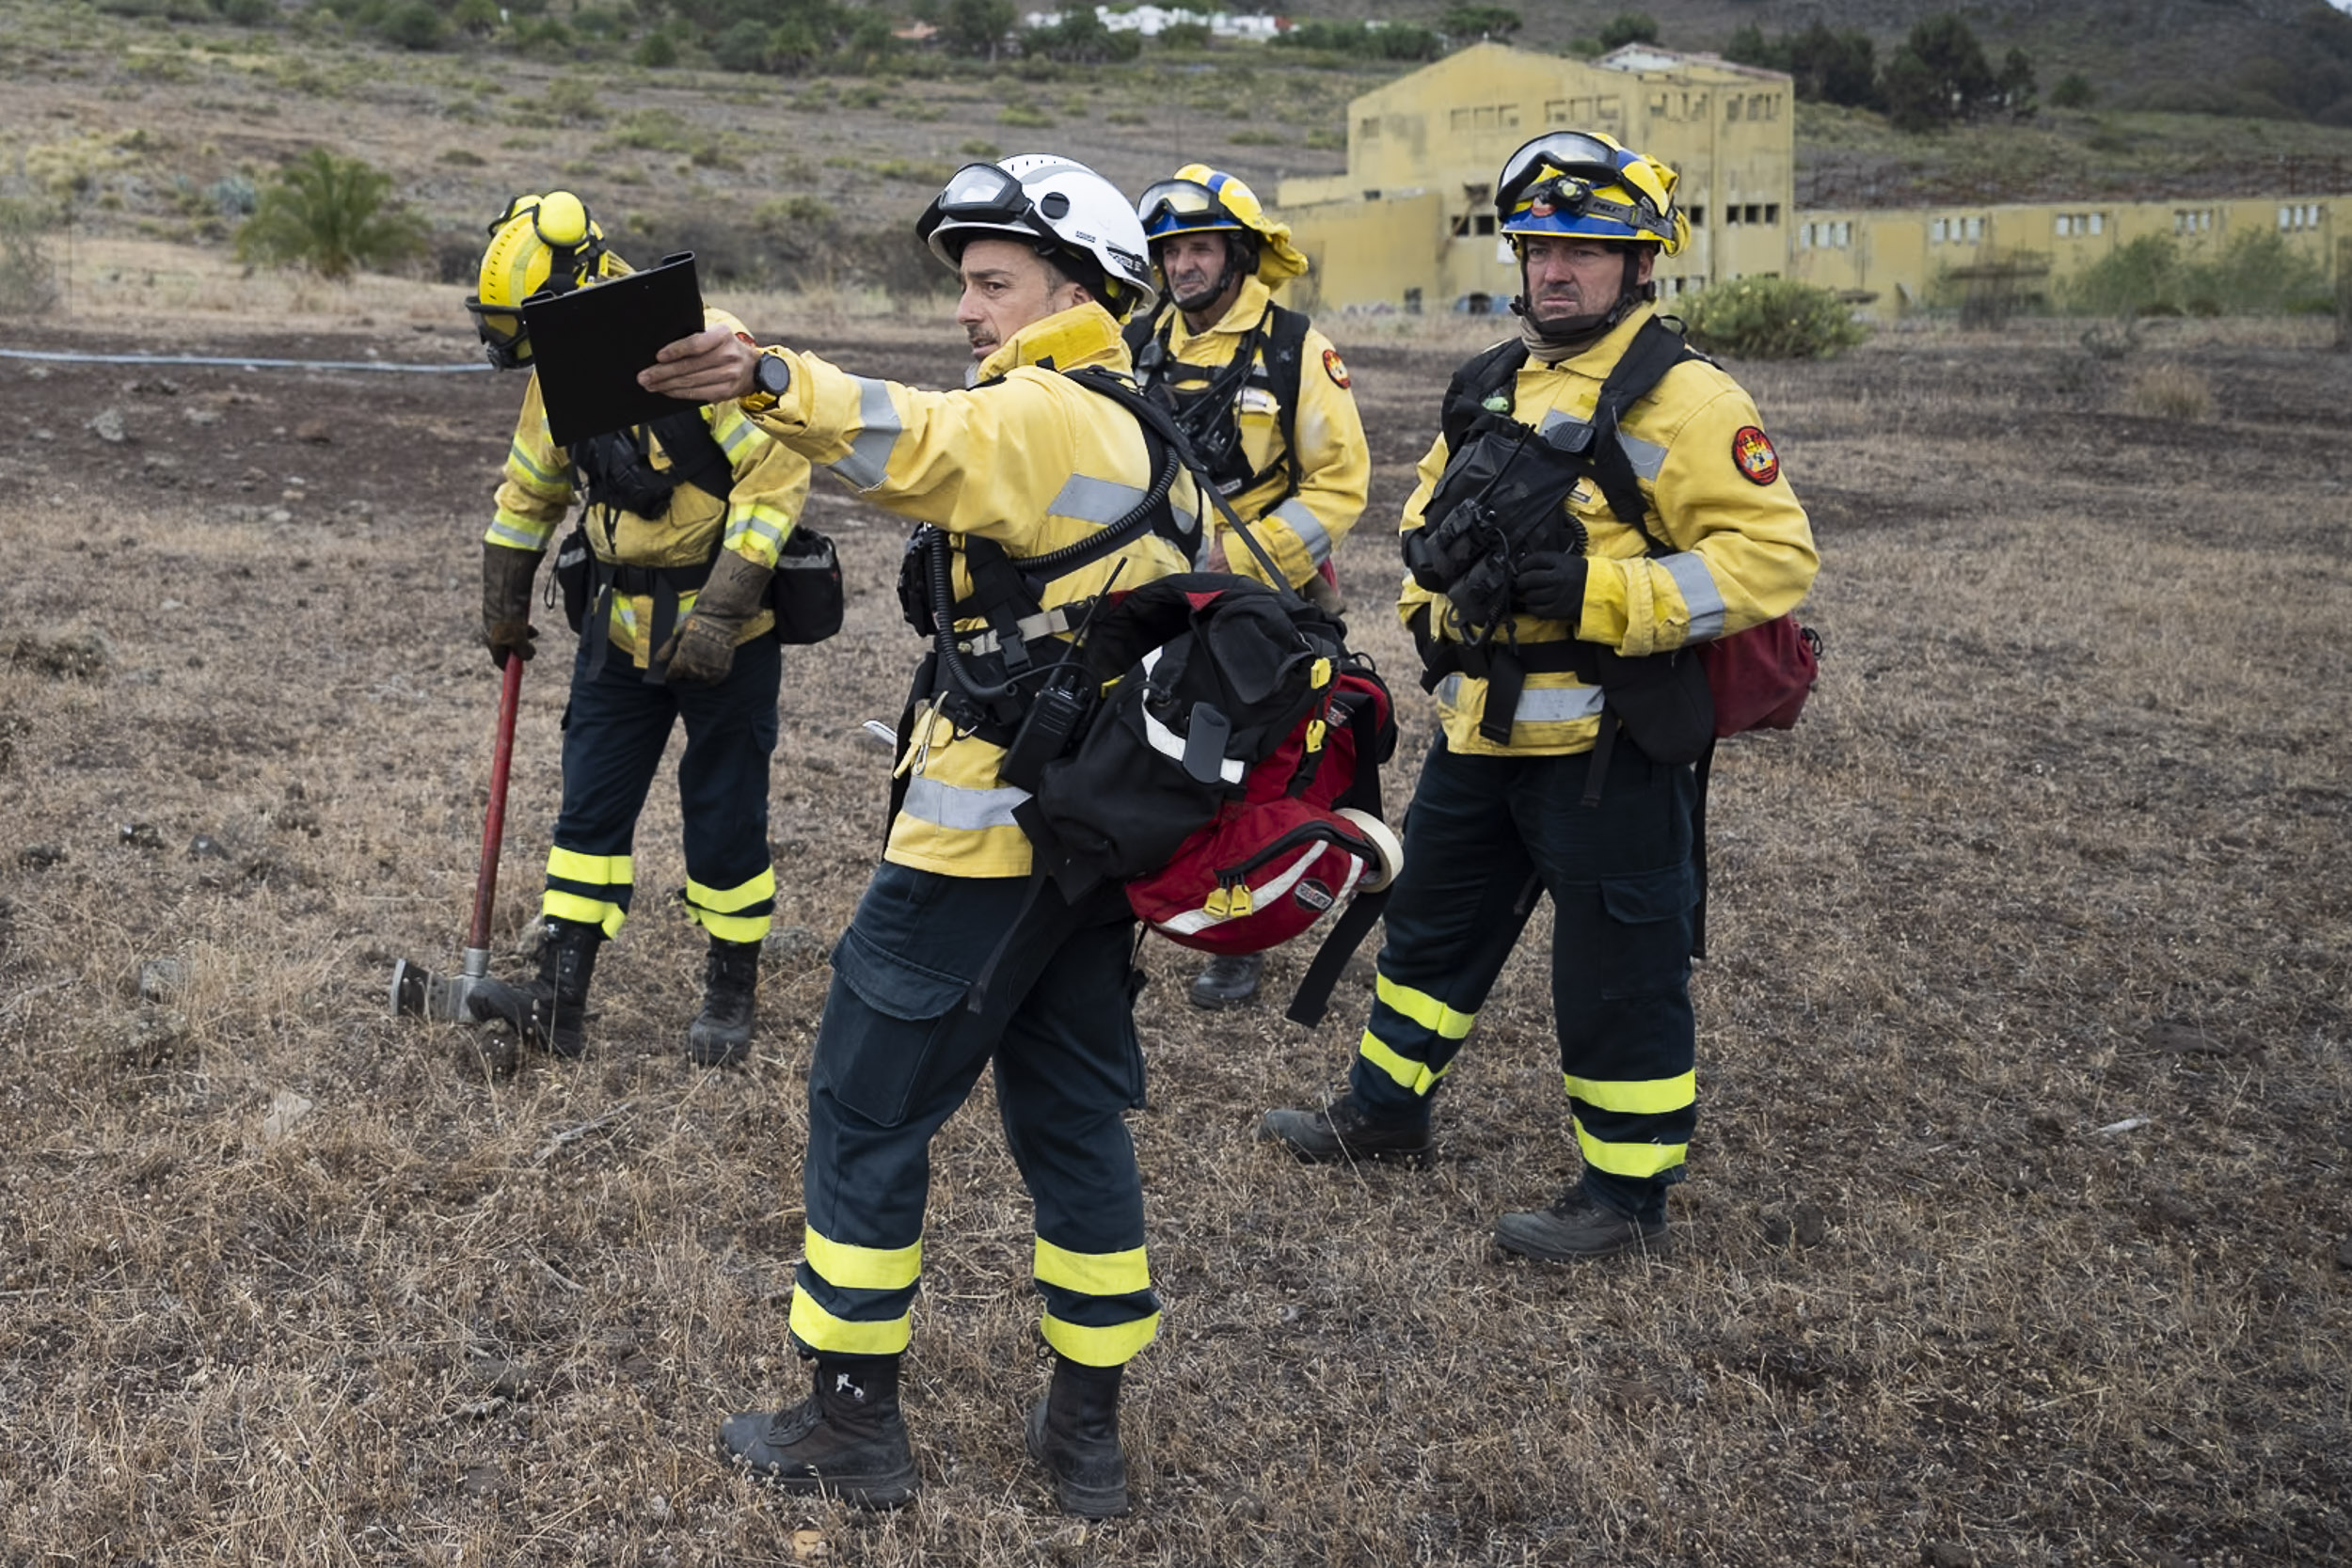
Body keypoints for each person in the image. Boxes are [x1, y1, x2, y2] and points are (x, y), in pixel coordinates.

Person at [640, 154, 1207, 1517]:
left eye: (990, 282)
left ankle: (849, 1422)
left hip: (975, 863)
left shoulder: (1049, 414)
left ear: (1077, 291)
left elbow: (921, 440)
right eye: (966, 282)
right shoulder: (1147, 427)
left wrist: (767, 373)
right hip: (1080, 861)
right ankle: (1087, 1439)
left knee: (863, 1110)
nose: (966, 308)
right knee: (1075, 1124)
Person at [1260, 131, 1819, 1262]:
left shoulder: (1692, 399)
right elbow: (1418, 514)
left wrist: (1599, 592)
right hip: (1482, 729)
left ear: (1640, 266)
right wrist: (1430, 594)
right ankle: (1385, 1111)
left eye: (1585, 249)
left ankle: (1625, 1193)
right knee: (1426, 924)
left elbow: (1774, 557)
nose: (1554, 269)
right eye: (1538, 247)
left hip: (1609, 745)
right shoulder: (1489, 381)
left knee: (1616, 968)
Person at [462, 190, 811, 1068]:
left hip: (725, 632)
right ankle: (558, 996)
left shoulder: (706, 344)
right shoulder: (560, 374)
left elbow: (777, 482)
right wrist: (504, 593)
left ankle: (731, 988)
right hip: (614, 626)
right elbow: (531, 489)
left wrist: (723, 613)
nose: (528, 352)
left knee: (726, 811)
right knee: (590, 808)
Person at [1127, 164, 1370, 1009]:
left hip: (1260, 602)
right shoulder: (1136, 342)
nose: (1182, 266)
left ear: (1238, 255)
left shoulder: (1299, 350)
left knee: (1241, 761)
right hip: (1156, 591)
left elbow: (1340, 486)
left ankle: (1239, 925)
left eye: (1198, 248)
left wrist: (1249, 557)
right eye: (1169, 252)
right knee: (1138, 745)